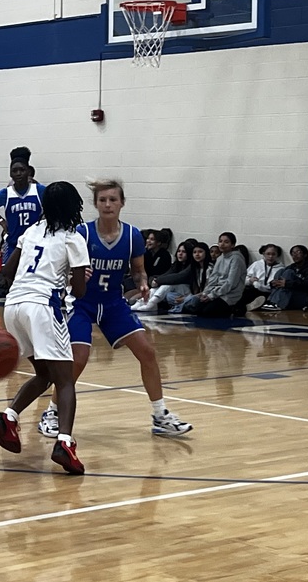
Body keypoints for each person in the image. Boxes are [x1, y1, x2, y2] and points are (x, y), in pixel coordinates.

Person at [37, 179, 193, 440]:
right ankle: (51, 413)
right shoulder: (82, 233)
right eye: (102, 200)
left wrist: (143, 284)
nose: (108, 204)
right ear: (95, 204)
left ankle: (160, 414)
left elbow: (139, 271)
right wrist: (73, 277)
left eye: (113, 199)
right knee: (78, 360)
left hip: (113, 304)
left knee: (148, 352)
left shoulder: (133, 236)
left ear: (122, 202)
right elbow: (61, 270)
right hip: (82, 304)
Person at [0, 181, 90, 473]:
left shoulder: (32, 231)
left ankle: (8, 417)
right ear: (74, 207)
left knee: (44, 374)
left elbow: (7, 272)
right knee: (65, 379)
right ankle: (65, 443)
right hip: (42, 306)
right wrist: (76, 276)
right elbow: (80, 292)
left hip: (14, 305)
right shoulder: (73, 238)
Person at [0, 146, 45, 268]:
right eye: (14, 171)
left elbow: (55, 206)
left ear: (28, 171)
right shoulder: (6, 193)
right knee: (9, 280)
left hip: (35, 244)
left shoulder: (39, 190)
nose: (18, 173)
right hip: (14, 244)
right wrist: (1, 221)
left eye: (22, 170)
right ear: (10, 173)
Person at [185, 232, 247, 317]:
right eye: (220, 241)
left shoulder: (236, 258)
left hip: (230, 294)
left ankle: (236, 308)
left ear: (232, 245)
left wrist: (212, 296)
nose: (222, 244)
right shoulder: (220, 258)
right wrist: (206, 293)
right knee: (196, 309)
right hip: (216, 292)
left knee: (207, 312)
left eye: (226, 242)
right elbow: (213, 279)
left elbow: (231, 283)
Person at [131, 239, 194, 312]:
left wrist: (158, 280)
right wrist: (154, 279)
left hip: (187, 290)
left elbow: (178, 277)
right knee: (155, 288)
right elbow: (166, 274)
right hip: (176, 290)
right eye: (179, 251)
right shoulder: (176, 265)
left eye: (184, 252)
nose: (180, 254)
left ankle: (152, 303)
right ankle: (144, 302)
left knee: (167, 284)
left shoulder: (191, 266)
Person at [261, 245, 308, 311]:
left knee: (288, 273)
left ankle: (278, 303)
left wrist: (287, 283)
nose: (295, 255)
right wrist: (273, 283)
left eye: (298, 252)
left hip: (304, 297)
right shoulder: (291, 267)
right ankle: (271, 301)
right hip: (290, 296)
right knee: (281, 271)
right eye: (293, 253)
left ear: (305, 254)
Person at [125, 228, 172, 301]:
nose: (148, 241)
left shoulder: (164, 255)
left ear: (158, 243)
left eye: (152, 239)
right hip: (143, 282)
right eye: (148, 239)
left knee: (131, 300)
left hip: (154, 284)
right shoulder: (147, 253)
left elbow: (156, 272)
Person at [170, 241, 211, 313]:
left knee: (194, 300)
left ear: (206, 253)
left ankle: (180, 307)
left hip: (205, 296)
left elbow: (208, 290)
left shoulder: (210, 269)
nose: (197, 254)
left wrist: (186, 298)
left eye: (200, 252)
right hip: (194, 295)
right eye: (194, 252)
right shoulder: (195, 268)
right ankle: (184, 305)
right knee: (169, 295)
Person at [244, 244, 284, 312]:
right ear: (263, 254)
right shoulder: (256, 264)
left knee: (269, 298)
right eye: (268, 254)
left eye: (273, 254)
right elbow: (243, 279)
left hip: (269, 292)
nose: (270, 256)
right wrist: (250, 280)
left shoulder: (281, 269)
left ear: (277, 255)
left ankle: (255, 305)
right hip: (255, 290)